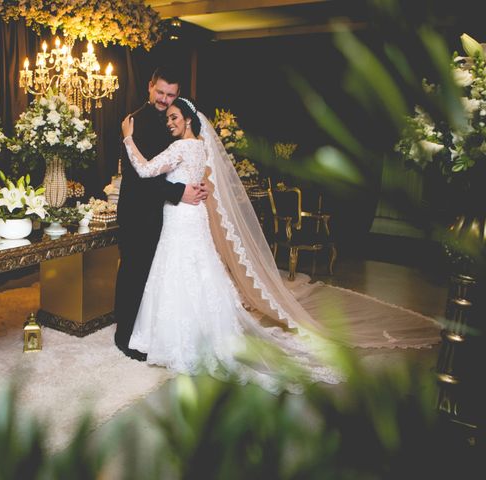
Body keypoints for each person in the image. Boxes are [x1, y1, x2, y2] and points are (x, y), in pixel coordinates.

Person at [120, 97, 441, 393]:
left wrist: (128, 138)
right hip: (193, 218)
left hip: (182, 220)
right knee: (197, 273)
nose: (169, 122)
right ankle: (200, 335)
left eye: (174, 117)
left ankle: (178, 341)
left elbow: (145, 170)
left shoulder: (180, 148)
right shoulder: (200, 148)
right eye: (168, 119)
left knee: (178, 274)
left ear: (188, 119)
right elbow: (182, 180)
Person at [114, 67, 207, 361]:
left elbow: (179, 165)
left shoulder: (173, 124)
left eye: (171, 95)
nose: (165, 100)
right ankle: (125, 337)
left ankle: (153, 333)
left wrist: (195, 185)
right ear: (150, 86)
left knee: (157, 276)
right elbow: (140, 176)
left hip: (165, 214)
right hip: (138, 210)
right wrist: (180, 193)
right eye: (160, 92)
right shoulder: (136, 122)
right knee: (134, 272)